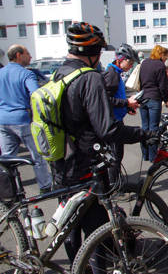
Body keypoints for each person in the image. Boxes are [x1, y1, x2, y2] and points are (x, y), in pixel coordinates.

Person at [51, 22, 156, 268]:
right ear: (94, 52)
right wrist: (143, 133)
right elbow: (108, 129)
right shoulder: (90, 78)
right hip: (86, 163)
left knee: (70, 225)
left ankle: (77, 266)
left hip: (61, 159)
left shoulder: (59, 73)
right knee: (98, 230)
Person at [0, 45, 53, 193]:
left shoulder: (1, 73)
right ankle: (45, 186)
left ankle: (10, 191)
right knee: (37, 156)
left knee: (7, 159)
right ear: (18, 55)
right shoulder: (26, 74)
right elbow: (36, 95)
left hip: (3, 121)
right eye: (27, 54)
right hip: (22, 120)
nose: (30, 57)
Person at [103, 43, 140, 183]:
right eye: (129, 62)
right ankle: (114, 187)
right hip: (112, 122)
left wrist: (127, 107)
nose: (131, 66)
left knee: (117, 154)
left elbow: (116, 97)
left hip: (117, 118)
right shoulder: (112, 74)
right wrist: (126, 103)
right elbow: (106, 99)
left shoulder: (115, 73)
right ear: (120, 59)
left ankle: (115, 181)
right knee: (115, 156)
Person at [139, 45, 168, 161]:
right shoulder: (160, 65)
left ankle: (145, 155)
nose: (165, 59)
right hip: (154, 98)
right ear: (161, 55)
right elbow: (162, 86)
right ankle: (153, 156)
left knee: (145, 128)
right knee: (153, 129)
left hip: (143, 97)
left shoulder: (144, 63)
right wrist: (166, 99)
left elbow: (141, 80)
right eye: (165, 57)